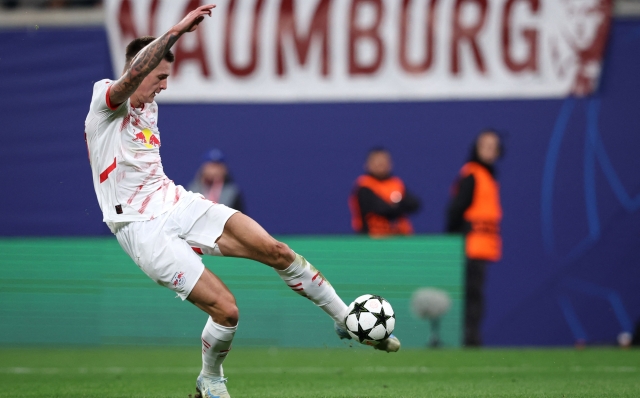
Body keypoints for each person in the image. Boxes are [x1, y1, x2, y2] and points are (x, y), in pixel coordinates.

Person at [83, 5, 399, 398]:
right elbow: (132, 75)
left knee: (276, 251)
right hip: (141, 228)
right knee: (227, 311)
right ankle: (210, 379)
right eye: (160, 77)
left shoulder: (150, 107)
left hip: (175, 202)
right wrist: (179, 29)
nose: (164, 85)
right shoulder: (106, 101)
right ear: (141, 69)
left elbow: (143, 81)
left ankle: (345, 318)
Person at [446, 130, 503, 347]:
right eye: (484, 146)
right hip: (470, 244)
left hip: (483, 245)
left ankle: (471, 336)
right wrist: (454, 241)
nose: (489, 151)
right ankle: (468, 338)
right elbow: (455, 209)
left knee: (476, 294)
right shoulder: (472, 174)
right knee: (470, 295)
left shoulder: (488, 176)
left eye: (493, 146)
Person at [349, 147, 421, 237]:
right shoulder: (364, 185)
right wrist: (398, 203)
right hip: (373, 237)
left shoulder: (396, 183)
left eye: (383, 161)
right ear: (367, 164)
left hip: (400, 236)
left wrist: (395, 205)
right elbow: (381, 209)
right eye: (376, 161)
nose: (380, 164)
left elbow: (414, 204)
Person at [188, 148, 245, 213]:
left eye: (217, 166)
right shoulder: (192, 190)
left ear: (224, 169)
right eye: (211, 166)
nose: (214, 171)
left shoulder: (232, 193)